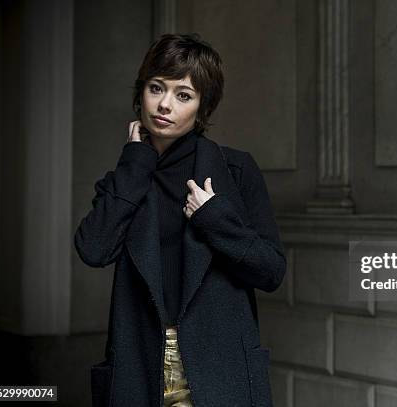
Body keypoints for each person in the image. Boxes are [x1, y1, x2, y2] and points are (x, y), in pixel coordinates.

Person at [74, 33, 286, 407]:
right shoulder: (125, 178)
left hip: (218, 368)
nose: (165, 105)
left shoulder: (235, 171)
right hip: (142, 367)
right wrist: (136, 163)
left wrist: (214, 218)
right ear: (141, 92)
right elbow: (93, 248)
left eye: (183, 95)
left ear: (202, 109)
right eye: (156, 88)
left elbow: (271, 271)